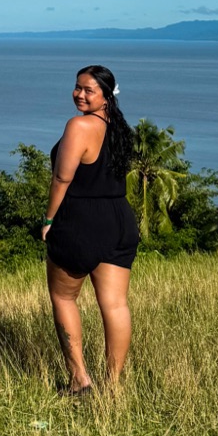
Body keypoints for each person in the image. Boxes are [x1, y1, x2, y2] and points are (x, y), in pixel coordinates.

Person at [40, 64, 139, 398]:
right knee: (115, 304)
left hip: (80, 219)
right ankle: (113, 385)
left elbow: (62, 179)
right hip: (119, 219)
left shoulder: (79, 126)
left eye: (88, 90)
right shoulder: (120, 127)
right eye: (77, 87)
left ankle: (80, 378)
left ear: (105, 95)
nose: (79, 94)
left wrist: (49, 219)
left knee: (63, 296)